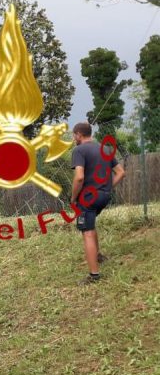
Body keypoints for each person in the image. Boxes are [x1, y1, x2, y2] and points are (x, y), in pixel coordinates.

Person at [71, 122, 124, 284]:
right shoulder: (105, 149)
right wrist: (107, 188)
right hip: (104, 196)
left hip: (88, 198)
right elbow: (121, 172)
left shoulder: (78, 150)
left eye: (74, 135)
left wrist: (73, 198)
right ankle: (98, 255)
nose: (74, 138)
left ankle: (94, 275)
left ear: (79, 134)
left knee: (86, 231)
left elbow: (79, 177)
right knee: (91, 224)